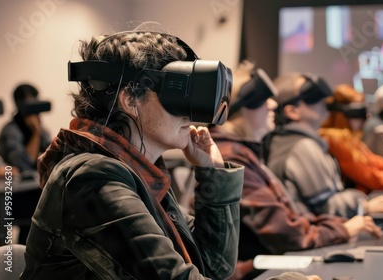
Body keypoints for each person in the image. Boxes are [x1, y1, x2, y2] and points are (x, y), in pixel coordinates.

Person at [21, 29, 245, 280]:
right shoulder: (92, 178)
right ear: (130, 100)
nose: (190, 113)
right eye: (176, 93)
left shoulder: (143, 174)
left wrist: (212, 171)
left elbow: (215, 266)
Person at [209, 62, 382, 280]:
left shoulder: (243, 154)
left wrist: (340, 226)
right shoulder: (230, 158)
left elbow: (293, 218)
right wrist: (343, 230)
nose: (272, 105)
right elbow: (286, 233)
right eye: (263, 100)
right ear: (242, 108)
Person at [262, 73, 383, 218]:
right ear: (292, 111)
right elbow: (325, 207)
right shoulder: (302, 146)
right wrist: (363, 204)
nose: (323, 102)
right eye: (312, 98)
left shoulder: (294, 142)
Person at [319, 84, 383, 194]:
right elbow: (372, 178)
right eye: (358, 112)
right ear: (343, 114)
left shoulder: (349, 139)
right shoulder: (335, 139)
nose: (364, 118)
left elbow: (377, 162)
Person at [0, 84, 51, 172]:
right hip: (15, 184)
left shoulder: (42, 130)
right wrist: (36, 132)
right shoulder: (10, 131)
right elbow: (23, 164)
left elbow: (52, 156)